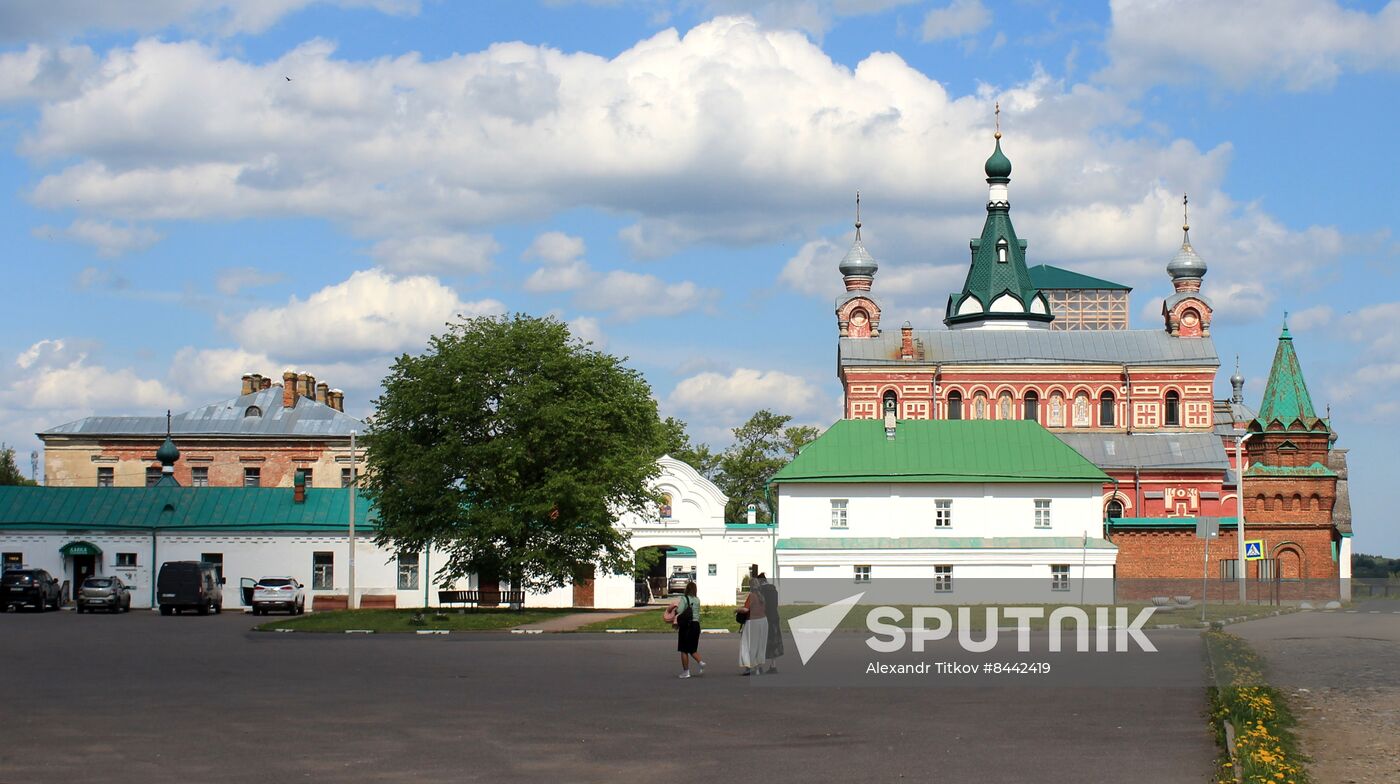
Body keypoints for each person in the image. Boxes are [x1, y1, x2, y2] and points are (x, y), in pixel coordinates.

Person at [738, 573, 767, 675]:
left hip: (752, 622)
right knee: (759, 645)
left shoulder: (751, 596)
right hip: (763, 622)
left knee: (747, 645)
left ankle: (749, 667)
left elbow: (746, 609)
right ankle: (759, 667)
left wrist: (737, 610)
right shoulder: (762, 596)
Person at [674, 581, 704, 678]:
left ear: (687, 589)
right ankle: (700, 662)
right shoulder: (697, 600)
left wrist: (674, 609)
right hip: (696, 625)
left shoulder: (684, 598)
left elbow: (679, 610)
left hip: (687, 626)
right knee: (692, 648)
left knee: (683, 649)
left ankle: (686, 672)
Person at [757, 572, 783, 674]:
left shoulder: (760, 591)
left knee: (761, 642)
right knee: (774, 641)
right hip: (775, 617)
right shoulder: (774, 590)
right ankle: (773, 665)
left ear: (760, 581)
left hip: (764, 618)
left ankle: (759, 666)